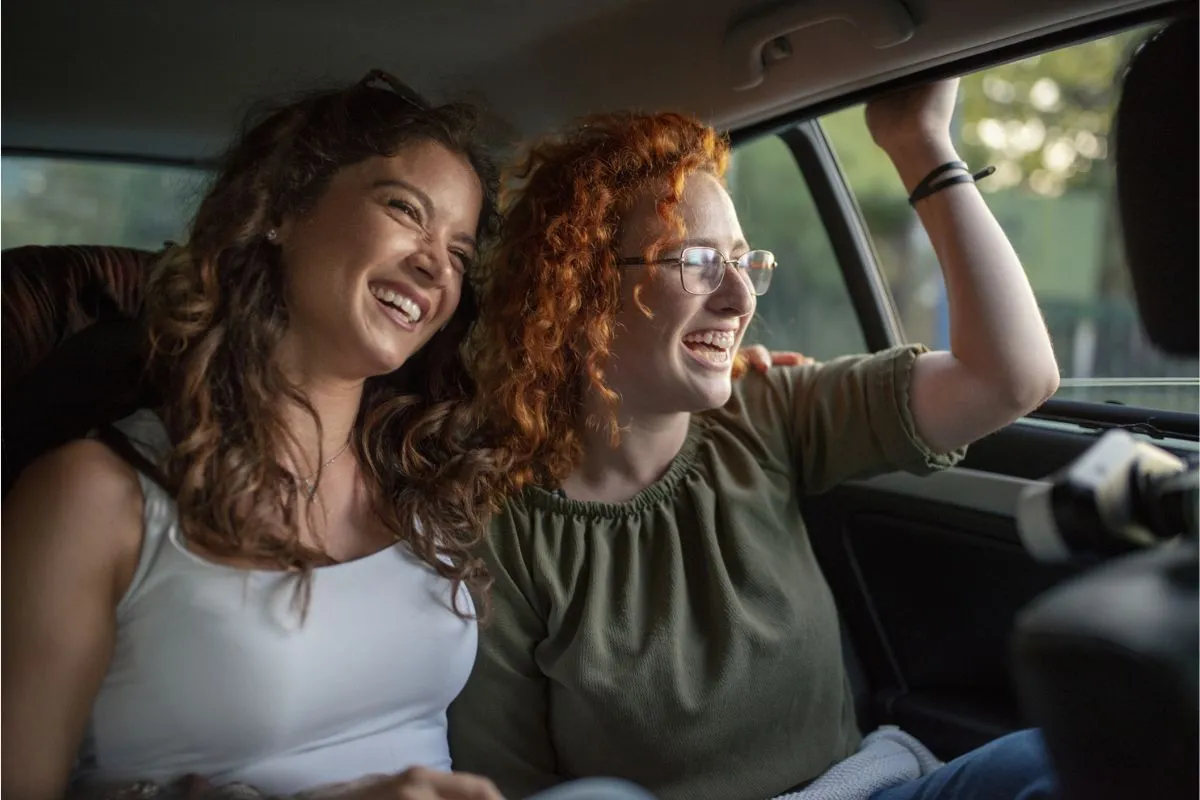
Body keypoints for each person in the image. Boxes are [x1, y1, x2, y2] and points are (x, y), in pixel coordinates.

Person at [1, 71, 651, 800]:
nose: (436, 264)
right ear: (283, 208)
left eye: (461, 252)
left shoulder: (427, 481)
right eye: (405, 210)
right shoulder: (93, 496)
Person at [449, 78, 1062, 800]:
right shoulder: (505, 530)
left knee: (1058, 755)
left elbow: (1011, 378)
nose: (740, 299)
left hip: (859, 789)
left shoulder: (767, 410)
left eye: (743, 262)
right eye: (698, 262)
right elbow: (511, 788)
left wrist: (918, 144)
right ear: (579, 292)